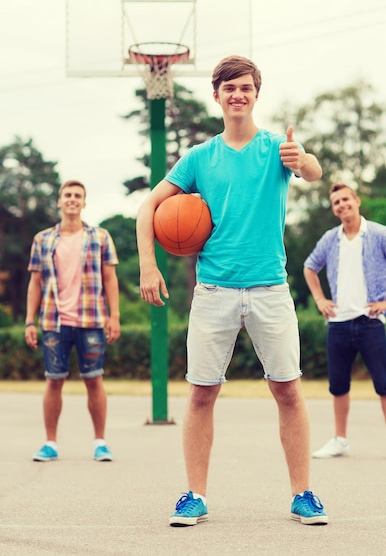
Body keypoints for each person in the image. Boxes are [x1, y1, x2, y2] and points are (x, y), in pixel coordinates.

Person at [136, 55, 328, 526]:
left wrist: (301, 159)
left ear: (256, 94)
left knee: (288, 390)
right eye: (229, 88)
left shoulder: (275, 149)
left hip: (269, 289)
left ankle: (303, 494)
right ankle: (194, 496)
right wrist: (147, 265)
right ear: (217, 95)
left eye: (246, 87)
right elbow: (148, 209)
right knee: (202, 394)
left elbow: (314, 171)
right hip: (214, 290)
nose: (238, 94)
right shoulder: (200, 158)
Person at [303, 183, 386, 461]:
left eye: (345, 199)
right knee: (339, 386)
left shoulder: (379, 234)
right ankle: (340, 440)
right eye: (336, 203)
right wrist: (320, 300)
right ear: (333, 209)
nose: (341, 205)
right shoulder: (331, 239)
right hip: (338, 324)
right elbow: (309, 266)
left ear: (357, 200)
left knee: (383, 384)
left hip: (370, 322)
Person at [25, 180, 121, 462]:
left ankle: (100, 442)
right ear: (59, 201)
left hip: (91, 319)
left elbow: (110, 279)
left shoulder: (100, 237)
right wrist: (30, 321)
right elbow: (35, 283)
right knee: (54, 380)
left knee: (94, 379)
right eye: (67, 195)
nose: (72, 199)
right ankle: (50, 443)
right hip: (54, 321)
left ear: (84, 203)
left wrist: (114, 316)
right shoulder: (42, 239)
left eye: (77, 196)